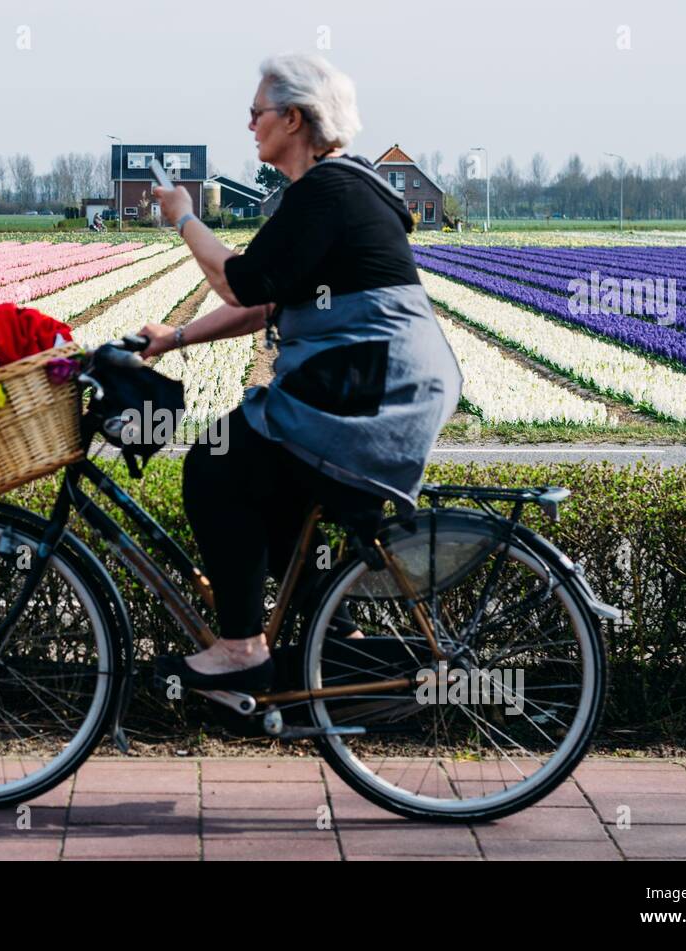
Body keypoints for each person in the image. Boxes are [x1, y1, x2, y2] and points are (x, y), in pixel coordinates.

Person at [138, 52, 463, 692]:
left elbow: (240, 283)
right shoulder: (337, 188)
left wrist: (183, 216)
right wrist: (176, 338)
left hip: (369, 383)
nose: (250, 124)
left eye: (256, 112)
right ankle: (337, 643)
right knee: (283, 492)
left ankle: (240, 651)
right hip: (378, 377)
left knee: (216, 460)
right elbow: (269, 300)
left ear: (292, 117)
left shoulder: (329, 192)